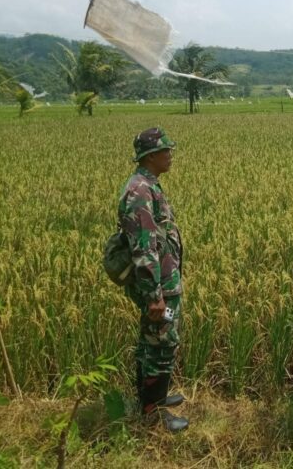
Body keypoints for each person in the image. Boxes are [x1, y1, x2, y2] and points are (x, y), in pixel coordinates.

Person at [119, 127, 188, 432]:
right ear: (150, 156)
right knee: (162, 343)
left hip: (163, 280)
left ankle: (151, 399)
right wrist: (153, 295)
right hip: (157, 286)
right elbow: (144, 247)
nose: (170, 155)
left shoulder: (149, 185)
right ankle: (154, 412)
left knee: (152, 340)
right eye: (166, 150)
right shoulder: (140, 191)